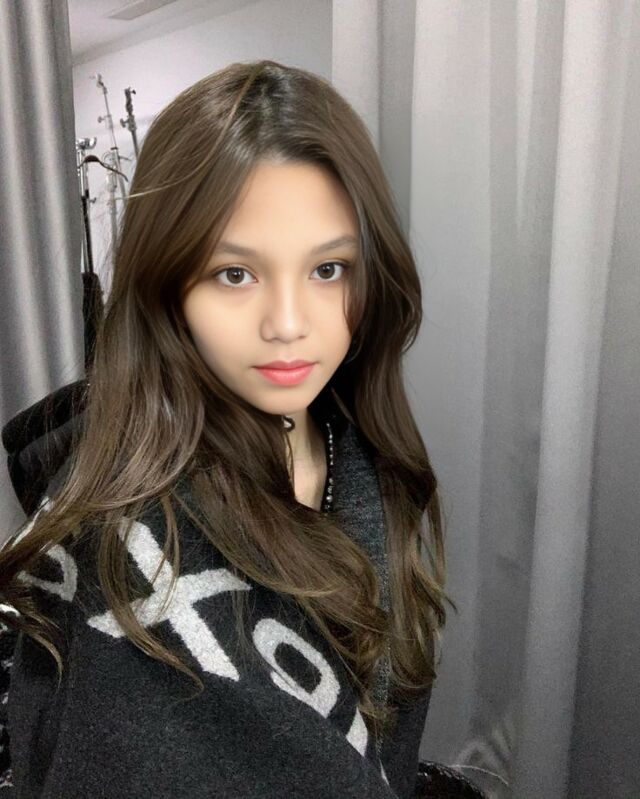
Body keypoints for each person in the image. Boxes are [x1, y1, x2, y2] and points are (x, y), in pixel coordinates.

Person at [0, 59, 455, 799]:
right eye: (235, 274)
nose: (288, 324)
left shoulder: (365, 459)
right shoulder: (132, 551)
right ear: (167, 286)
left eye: (328, 269)